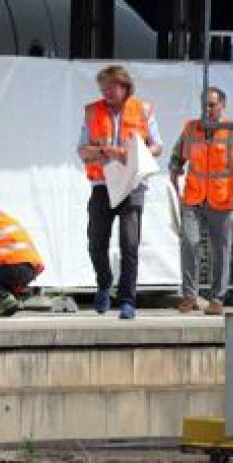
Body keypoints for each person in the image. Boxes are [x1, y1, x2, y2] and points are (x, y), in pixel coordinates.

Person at [77, 64, 162, 320]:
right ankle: (104, 283)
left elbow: (158, 146)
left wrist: (136, 153)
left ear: (124, 87)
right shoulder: (92, 111)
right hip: (101, 185)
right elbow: (82, 150)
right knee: (96, 242)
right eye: (103, 88)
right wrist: (106, 151)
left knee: (130, 244)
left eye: (111, 88)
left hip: (132, 185)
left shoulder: (143, 109)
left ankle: (127, 301)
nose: (106, 93)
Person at [169, 86, 233, 316]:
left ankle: (217, 298)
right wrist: (174, 169)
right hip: (193, 197)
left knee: (221, 250)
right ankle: (190, 296)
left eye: (211, 105)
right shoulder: (190, 128)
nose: (207, 109)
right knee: (189, 243)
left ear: (222, 105)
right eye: (204, 105)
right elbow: (177, 155)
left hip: (222, 198)